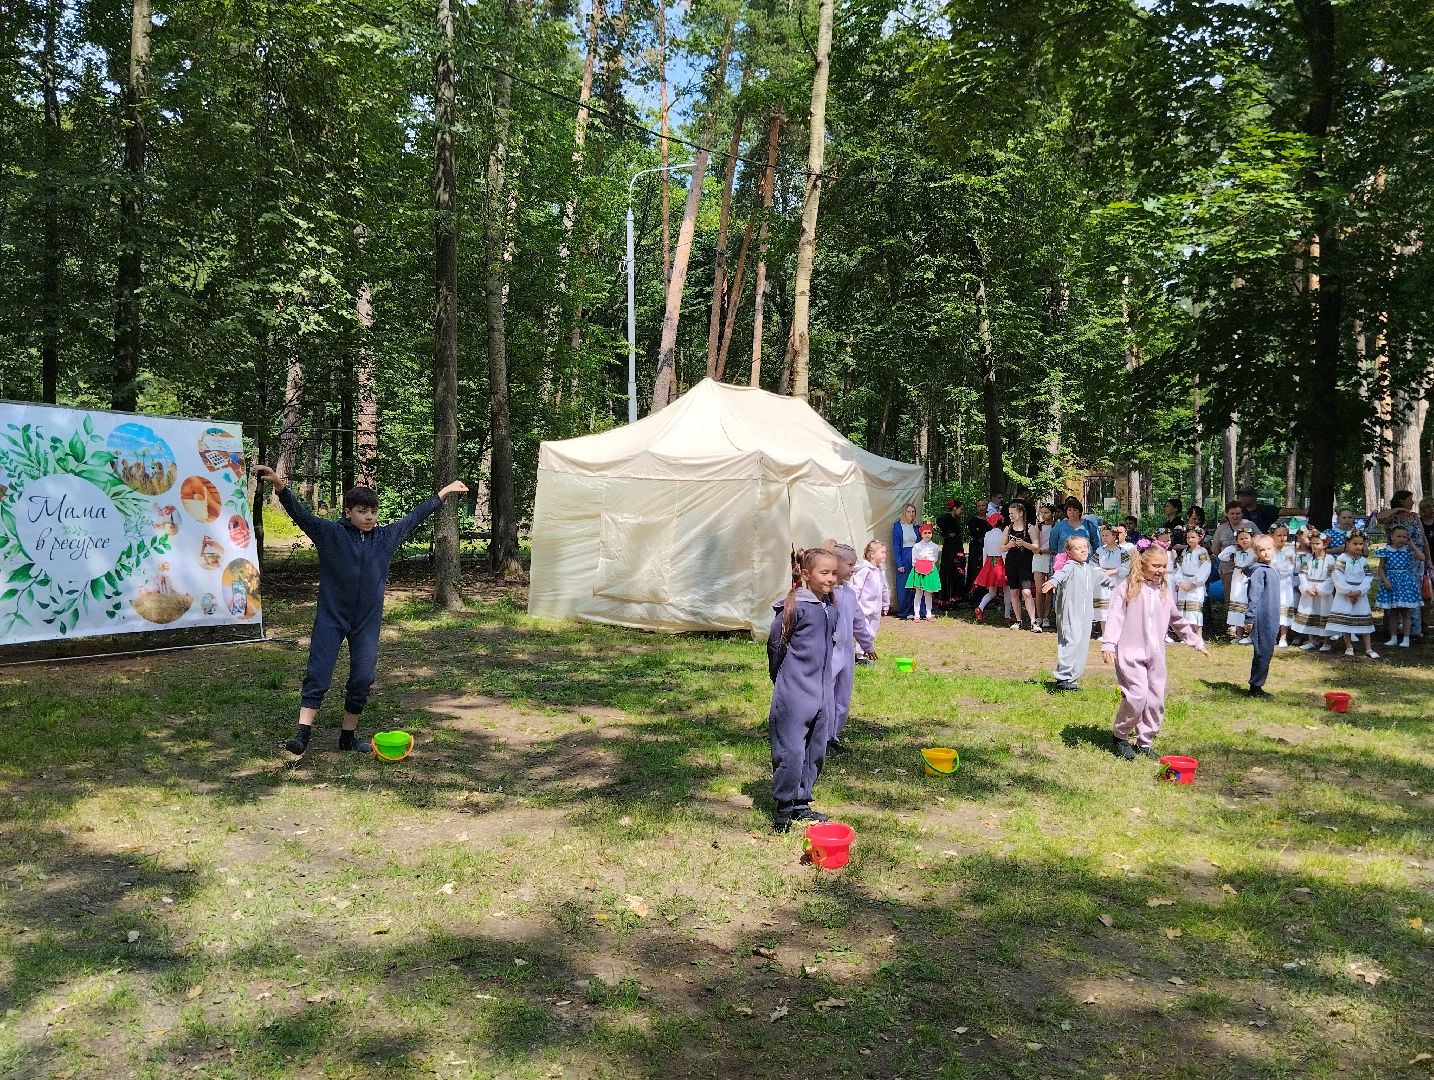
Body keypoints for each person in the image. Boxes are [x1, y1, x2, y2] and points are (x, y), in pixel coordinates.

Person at [254, 465, 469, 756]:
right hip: (331, 617)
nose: (369, 517)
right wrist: (282, 488)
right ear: (347, 512)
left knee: (363, 677)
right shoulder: (330, 534)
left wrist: (442, 494)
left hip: (366, 622)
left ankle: (347, 736)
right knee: (319, 673)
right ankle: (302, 735)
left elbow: (415, 517)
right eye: (362, 511)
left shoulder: (386, 538)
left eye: (373, 512)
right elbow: (301, 516)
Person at [1102, 545, 1208, 760]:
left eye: (1164, 566)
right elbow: (1115, 617)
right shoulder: (1127, 588)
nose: (1160, 570)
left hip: (1156, 654)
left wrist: (1195, 641)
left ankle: (1145, 741)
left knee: (1155, 700)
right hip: (1130, 653)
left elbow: (1177, 619)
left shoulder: (1163, 590)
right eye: (1156, 565)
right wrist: (1109, 644)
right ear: (1142, 564)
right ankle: (1120, 735)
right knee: (1138, 696)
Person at [767, 547, 839, 833]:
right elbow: (776, 646)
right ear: (806, 575)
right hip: (795, 694)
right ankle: (784, 809)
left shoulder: (829, 607)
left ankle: (801, 803)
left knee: (815, 750)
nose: (831, 578)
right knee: (791, 751)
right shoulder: (794, 607)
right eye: (824, 573)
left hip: (822, 694)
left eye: (834, 573)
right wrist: (782, 680)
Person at [1042, 536, 1100, 690]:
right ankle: (1063, 677)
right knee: (1070, 640)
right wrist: (1052, 582)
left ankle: (1072, 677)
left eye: (1085, 547)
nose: (1083, 550)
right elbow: (1060, 575)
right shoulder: (1070, 566)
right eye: (1077, 548)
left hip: (1085, 614)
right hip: (1070, 612)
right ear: (1069, 551)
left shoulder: (1088, 569)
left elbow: (1105, 578)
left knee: (1082, 644)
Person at [829, 545, 868, 753]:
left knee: (843, 697)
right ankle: (823, 737)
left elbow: (858, 620)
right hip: (829, 653)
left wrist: (867, 644)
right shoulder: (825, 594)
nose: (853, 569)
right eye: (850, 564)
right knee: (826, 696)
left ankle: (834, 735)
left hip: (847, 653)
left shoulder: (849, 594)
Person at [1326, 532, 1380, 659]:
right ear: (1347, 544)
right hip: (1345, 594)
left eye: (1361, 544)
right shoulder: (1342, 559)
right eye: (1355, 543)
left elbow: (1368, 577)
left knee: (1364, 621)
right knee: (1346, 621)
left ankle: (1368, 648)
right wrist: (1349, 592)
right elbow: (1337, 576)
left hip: (1359, 594)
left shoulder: (1363, 560)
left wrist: (1359, 591)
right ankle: (1349, 646)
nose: (1358, 546)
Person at [1376, 524, 1425, 648]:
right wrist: (1385, 580)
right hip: (1391, 582)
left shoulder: (1408, 550)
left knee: (1405, 612)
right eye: (1399, 536)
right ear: (1392, 536)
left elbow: (1422, 557)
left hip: (1405, 583)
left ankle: (1406, 638)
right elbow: (1381, 569)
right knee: (1393, 612)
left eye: (1404, 536)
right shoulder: (1386, 551)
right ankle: (1393, 637)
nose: (1402, 539)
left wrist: (1412, 544)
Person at [1244, 535, 1281, 699]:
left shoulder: (1270, 568)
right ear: (1256, 552)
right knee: (1263, 651)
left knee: (1267, 649)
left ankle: (1257, 683)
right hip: (1262, 616)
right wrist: (1250, 618)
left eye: (1269, 548)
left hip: (1272, 614)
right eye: (1262, 550)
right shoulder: (1259, 571)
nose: (1266, 553)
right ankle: (1256, 686)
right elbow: (1254, 596)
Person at [1293, 531, 1336, 652]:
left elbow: (1331, 576)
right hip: (1309, 591)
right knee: (1310, 613)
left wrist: (1320, 589)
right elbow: (1302, 574)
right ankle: (1312, 640)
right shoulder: (1308, 558)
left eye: (1317, 543)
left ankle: (1326, 642)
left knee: (1324, 613)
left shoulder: (1330, 559)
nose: (1314, 546)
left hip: (1323, 592)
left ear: (1325, 545)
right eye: (1312, 543)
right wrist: (1306, 587)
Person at [1002, 501, 1042, 632]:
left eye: (1013, 513)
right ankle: (1018, 620)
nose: (1011, 516)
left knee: (1027, 592)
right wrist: (1010, 545)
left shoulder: (1030, 528)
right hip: (1011, 562)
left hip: (1026, 562)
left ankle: (1033, 621)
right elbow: (1002, 547)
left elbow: (1036, 548)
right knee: (1014, 591)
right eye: (1009, 514)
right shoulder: (1008, 528)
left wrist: (1024, 543)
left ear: (1020, 513)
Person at [850, 541, 888, 662]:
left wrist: (886, 604)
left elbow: (884, 588)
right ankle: (860, 656)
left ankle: (865, 650)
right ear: (872, 554)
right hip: (863, 608)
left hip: (876, 608)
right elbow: (856, 588)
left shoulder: (880, 571)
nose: (884, 555)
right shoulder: (864, 570)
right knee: (864, 631)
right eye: (882, 552)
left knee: (872, 632)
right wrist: (853, 604)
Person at [1218, 525, 1258, 643]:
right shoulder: (1235, 551)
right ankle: (1239, 635)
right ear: (1237, 541)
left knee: (1248, 602)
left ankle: (1250, 634)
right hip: (1237, 578)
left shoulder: (1254, 552)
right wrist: (1232, 547)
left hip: (1249, 578)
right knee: (1237, 602)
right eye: (1241, 539)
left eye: (1246, 538)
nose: (1244, 541)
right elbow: (1222, 556)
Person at [1170, 526, 1211, 636]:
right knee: (1184, 610)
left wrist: (1194, 583)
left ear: (1200, 538)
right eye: (1188, 537)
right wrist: (1180, 581)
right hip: (1184, 582)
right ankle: (1187, 634)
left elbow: (1205, 568)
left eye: (1193, 537)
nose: (1190, 540)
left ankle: (1198, 635)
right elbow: (1179, 567)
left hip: (1195, 585)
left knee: (1195, 610)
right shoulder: (1184, 551)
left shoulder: (1202, 551)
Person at [1093, 525, 1131, 636]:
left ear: (1114, 536)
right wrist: (1100, 570)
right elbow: (1092, 565)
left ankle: (1118, 633)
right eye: (1103, 535)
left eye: (1107, 535)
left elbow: (1127, 567)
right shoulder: (1100, 551)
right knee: (1103, 610)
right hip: (1103, 583)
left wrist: (1116, 571)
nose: (1104, 538)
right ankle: (1105, 634)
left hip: (1117, 582)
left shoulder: (1121, 551)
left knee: (1117, 607)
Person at [1047, 498, 1103, 568]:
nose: (1072, 513)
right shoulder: (1059, 526)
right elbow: (1053, 547)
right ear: (1066, 512)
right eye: (1069, 510)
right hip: (1065, 565)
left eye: (1075, 510)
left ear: (1080, 512)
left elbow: (1096, 545)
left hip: (1086, 564)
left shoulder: (1089, 525)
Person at [972, 513, 1007, 623]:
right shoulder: (1004, 534)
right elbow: (1004, 552)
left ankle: (980, 608)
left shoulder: (987, 534)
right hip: (1001, 563)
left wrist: (984, 567)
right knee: (1007, 590)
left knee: (992, 592)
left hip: (989, 563)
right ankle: (1007, 615)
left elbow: (984, 551)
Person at [1270, 523, 1300, 648]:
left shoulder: (1290, 551)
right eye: (1279, 535)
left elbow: (1291, 568)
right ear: (1272, 535)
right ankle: (1273, 635)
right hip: (1272, 582)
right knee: (1273, 607)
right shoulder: (1269, 550)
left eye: (1285, 535)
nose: (1282, 538)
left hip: (1285, 582)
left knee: (1285, 606)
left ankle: (1284, 636)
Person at [905, 523, 941, 621]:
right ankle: (916, 614)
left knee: (928, 593)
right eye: (925, 533)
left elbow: (935, 558)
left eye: (929, 532)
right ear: (921, 534)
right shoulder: (916, 546)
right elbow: (914, 560)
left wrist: (930, 566)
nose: (927, 535)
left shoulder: (934, 546)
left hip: (930, 570)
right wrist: (917, 569)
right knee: (918, 593)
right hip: (918, 570)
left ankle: (928, 614)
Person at [890, 504, 919, 619]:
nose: (911, 514)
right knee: (904, 585)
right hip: (904, 556)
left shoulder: (916, 527)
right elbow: (896, 546)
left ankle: (915, 610)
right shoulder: (898, 526)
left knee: (916, 584)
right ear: (904, 513)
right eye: (908, 511)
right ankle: (904, 611)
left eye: (913, 511)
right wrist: (899, 563)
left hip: (916, 557)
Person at [935, 499, 966, 606]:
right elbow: (939, 522)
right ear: (954, 509)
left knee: (955, 572)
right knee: (949, 571)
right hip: (950, 550)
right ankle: (946, 598)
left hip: (955, 547)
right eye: (960, 509)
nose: (961, 512)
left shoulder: (953, 519)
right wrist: (948, 534)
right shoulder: (947, 519)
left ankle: (953, 597)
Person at [1032, 503, 1055, 630]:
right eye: (1042, 513)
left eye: (1046, 512)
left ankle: (1046, 616)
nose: (1044, 515)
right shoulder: (1038, 527)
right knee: (1039, 589)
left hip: (1051, 558)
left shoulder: (1056, 526)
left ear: (1052, 513)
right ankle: (1039, 616)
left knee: (1050, 589)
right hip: (1038, 558)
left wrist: (1047, 550)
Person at [966, 507, 992, 599]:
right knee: (974, 569)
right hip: (976, 547)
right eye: (979, 506)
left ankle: (986, 593)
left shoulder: (990, 519)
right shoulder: (973, 520)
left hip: (988, 547)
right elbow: (974, 533)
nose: (981, 508)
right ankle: (972, 593)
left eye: (983, 506)